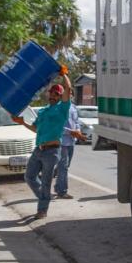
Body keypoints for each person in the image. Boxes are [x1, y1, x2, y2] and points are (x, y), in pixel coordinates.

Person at [12, 71, 72, 220]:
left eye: (56, 95)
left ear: (60, 97)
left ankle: (42, 210)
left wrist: (63, 74)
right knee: (29, 177)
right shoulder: (43, 111)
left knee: (46, 182)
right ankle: (44, 198)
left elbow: (69, 89)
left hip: (52, 152)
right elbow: (36, 128)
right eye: (51, 94)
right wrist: (22, 122)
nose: (53, 96)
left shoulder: (62, 109)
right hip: (38, 150)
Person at [54, 103, 82, 199]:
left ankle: (58, 186)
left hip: (71, 141)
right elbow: (56, 126)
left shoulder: (73, 107)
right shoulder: (57, 107)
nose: (69, 95)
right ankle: (62, 191)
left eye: (70, 93)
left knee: (65, 165)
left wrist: (78, 130)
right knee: (64, 167)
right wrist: (70, 132)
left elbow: (76, 121)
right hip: (62, 141)